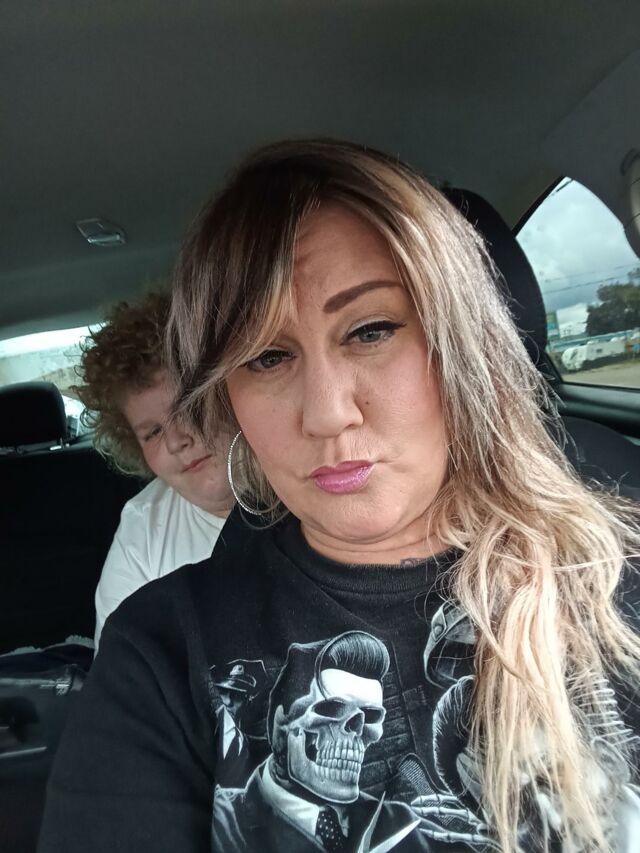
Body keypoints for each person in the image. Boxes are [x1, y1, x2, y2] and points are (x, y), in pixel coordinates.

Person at [39, 141, 640, 853]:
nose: (326, 414)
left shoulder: (617, 573)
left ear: (459, 342)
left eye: (370, 330)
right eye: (267, 357)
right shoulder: (160, 656)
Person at [74, 290, 233, 649]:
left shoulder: (308, 482)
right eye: (153, 432)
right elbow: (119, 669)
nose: (176, 441)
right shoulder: (143, 530)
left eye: (188, 407)